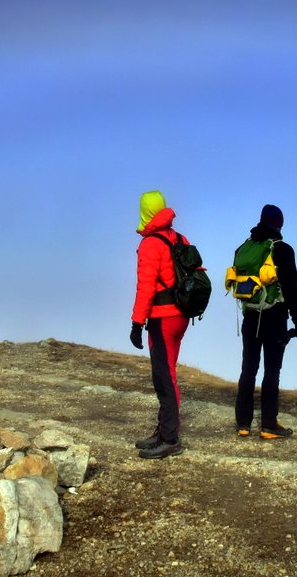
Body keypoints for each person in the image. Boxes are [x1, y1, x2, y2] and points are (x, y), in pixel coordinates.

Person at [234, 204, 297, 439]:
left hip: (250, 316)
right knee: (272, 370)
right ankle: (268, 425)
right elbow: (291, 288)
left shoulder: (243, 248)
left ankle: (243, 424)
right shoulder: (283, 250)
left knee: (248, 368)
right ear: (280, 224)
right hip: (275, 318)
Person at [130, 190, 190, 459]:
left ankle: (170, 438)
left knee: (164, 377)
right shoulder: (179, 238)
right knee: (167, 373)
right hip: (181, 315)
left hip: (163, 318)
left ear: (145, 212)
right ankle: (164, 431)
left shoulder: (150, 244)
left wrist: (136, 322)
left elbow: (146, 287)